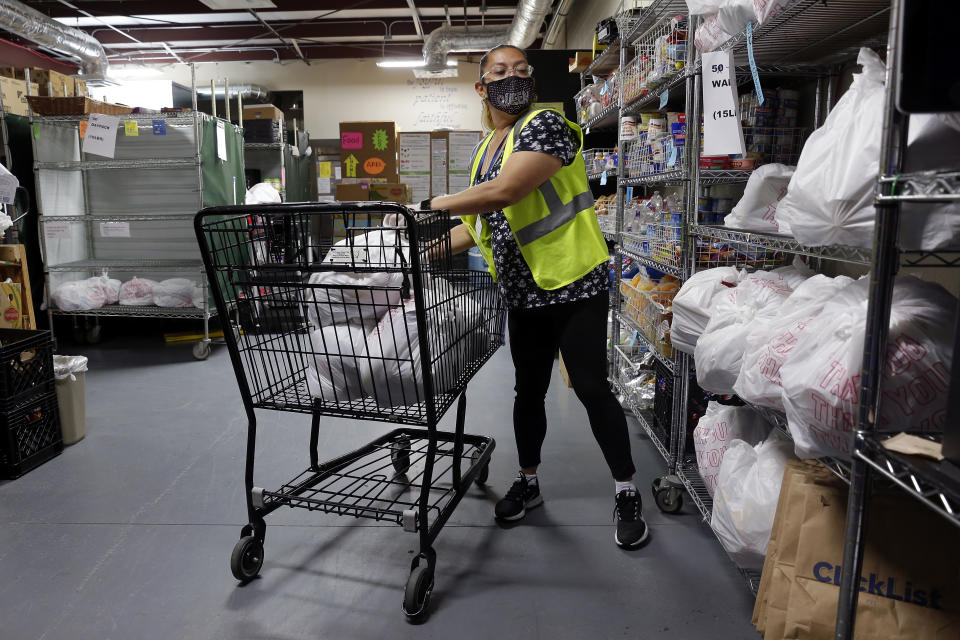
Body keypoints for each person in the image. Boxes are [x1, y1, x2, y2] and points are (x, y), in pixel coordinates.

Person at [424, 44, 648, 549]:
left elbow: (505, 194)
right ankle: (528, 481)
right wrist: (422, 253)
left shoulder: (545, 125)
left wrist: (430, 203)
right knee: (528, 392)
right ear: (481, 87)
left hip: (573, 282)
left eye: (522, 71)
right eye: (500, 72)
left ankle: (626, 488)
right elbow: (475, 224)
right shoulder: (487, 147)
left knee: (590, 388)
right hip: (525, 291)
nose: (514, 78)